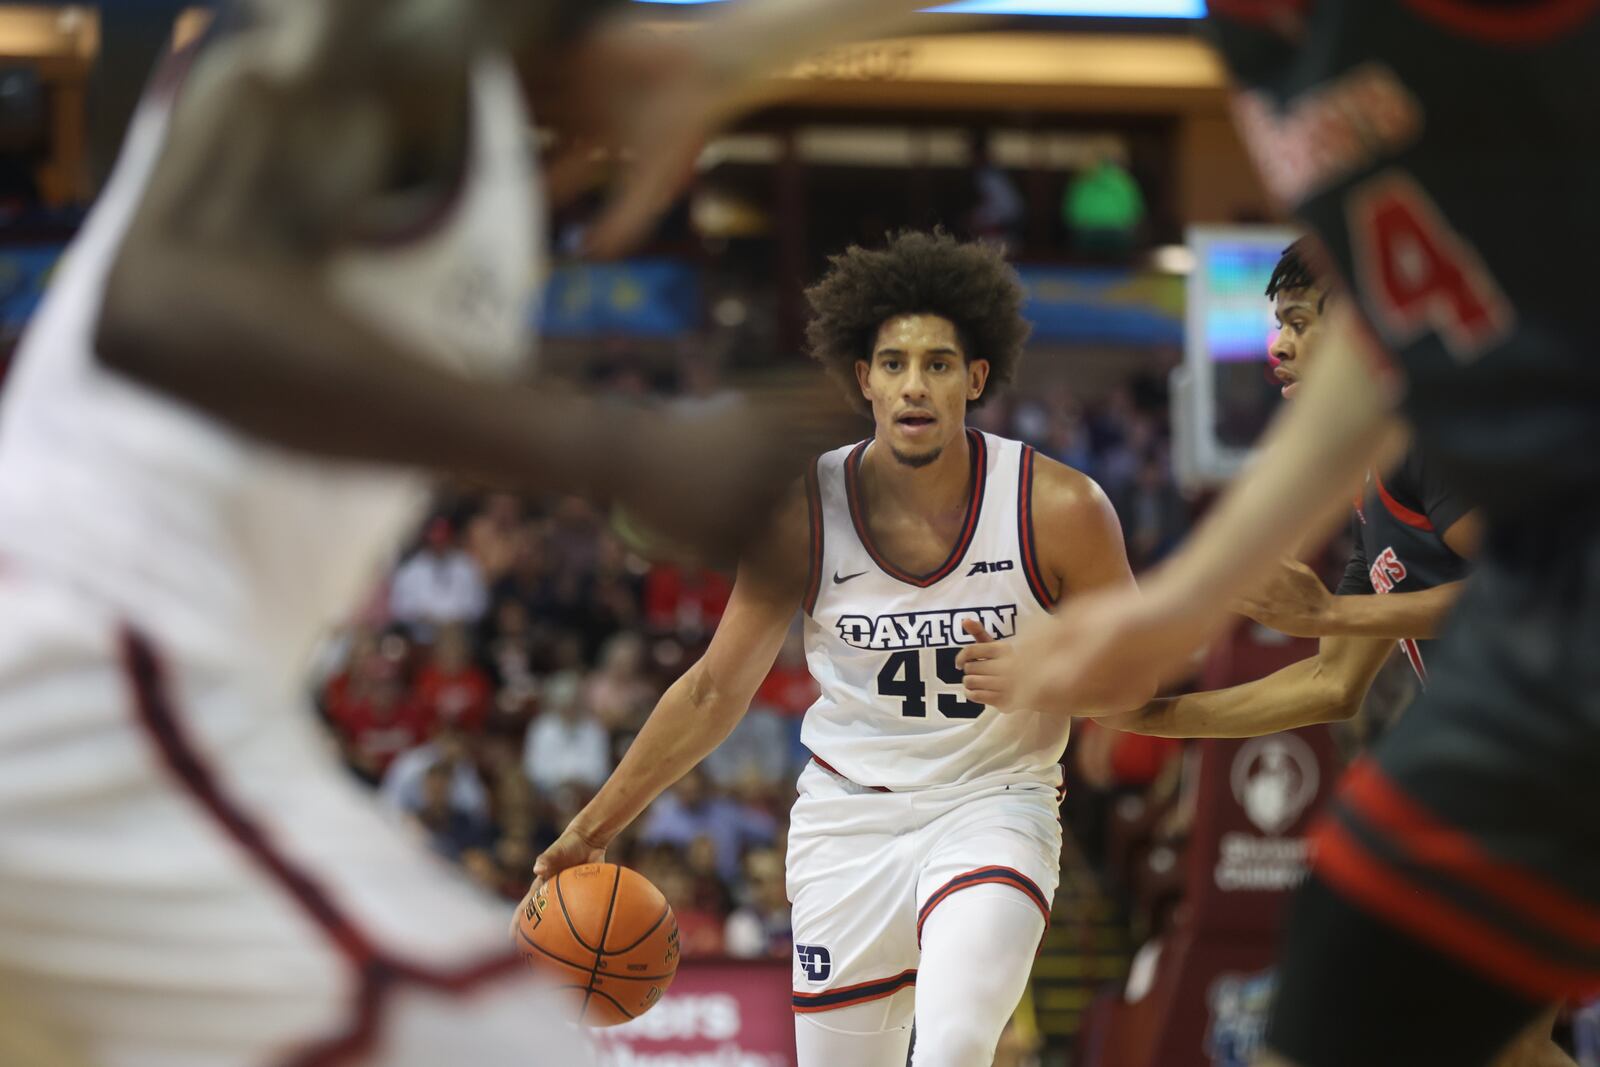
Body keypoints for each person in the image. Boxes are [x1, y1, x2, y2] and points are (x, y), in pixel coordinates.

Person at [0, 2, 854, 1062]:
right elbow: (158, 306)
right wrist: (618, 449)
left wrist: (721, 52)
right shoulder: (365, 33)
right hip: (75, 673)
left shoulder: (466, 115)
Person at [964, 7, 1600, 1067]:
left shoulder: (1435, 445)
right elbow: (1326, 686)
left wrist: (1318, 607)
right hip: (1521, 740)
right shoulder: (1367, 478)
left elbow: (1524, 580)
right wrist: (1144, 713)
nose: (1274, 346)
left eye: (1297, 323)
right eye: (1274, 323)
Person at [529, 231, 1150, 1067]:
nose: (914, 384)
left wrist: (1053, 671)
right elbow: (716, 690)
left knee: (957, 1042)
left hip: (992, 802)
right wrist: (592, 827)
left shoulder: (1061, 506)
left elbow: (1141, 672)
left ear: (977, 377)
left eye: (938, 363)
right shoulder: (806, 511)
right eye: (893, 363)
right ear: (864, 380)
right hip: (847, 823)